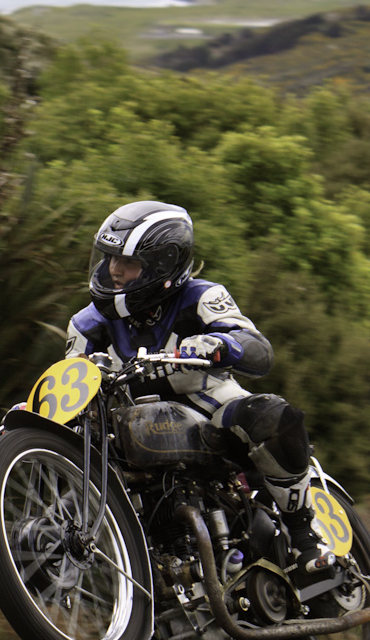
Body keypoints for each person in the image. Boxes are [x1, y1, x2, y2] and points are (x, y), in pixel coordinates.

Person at [66, 199, 331, 574]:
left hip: (214, 410)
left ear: (162, 266)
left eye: (128, 262)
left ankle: (304, 535)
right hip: (134, 433)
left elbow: (257, 348)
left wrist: (223, 344)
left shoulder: (202, 297)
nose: (114, 269)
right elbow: (71, 377)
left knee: (268, 415)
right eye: (110, 258)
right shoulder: (86, 324)